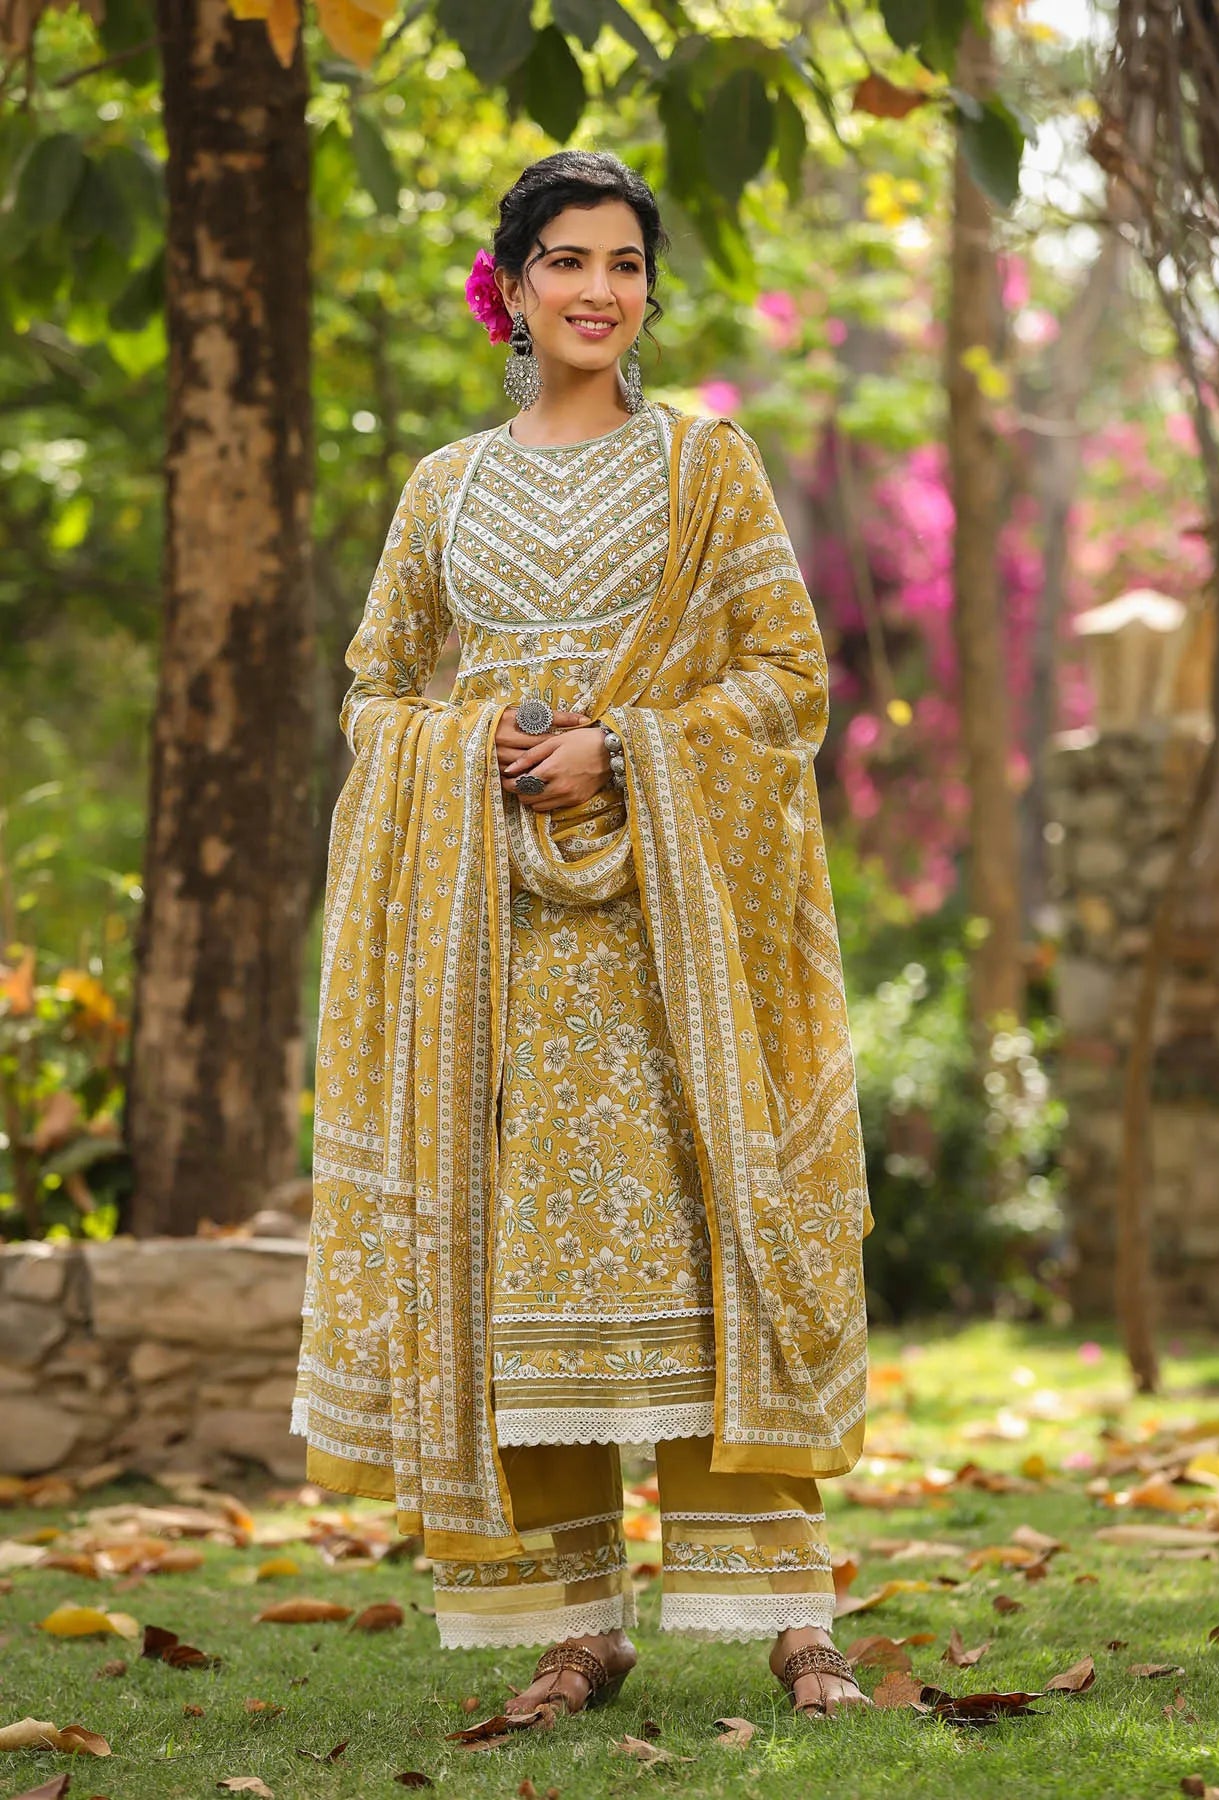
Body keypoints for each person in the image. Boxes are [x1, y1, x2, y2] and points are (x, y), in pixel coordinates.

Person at [290, 149, 873, 1721]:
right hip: (497, 951)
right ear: (512, 286)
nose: (598, 290)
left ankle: (794, 1622)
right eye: (567, 260)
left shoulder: (704, 469)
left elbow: (789, 679)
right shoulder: (443, 489)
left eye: (624, 263)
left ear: (648, 291)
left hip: (673, 955)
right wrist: (457, 747)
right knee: (516, 1270)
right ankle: (571, 1627)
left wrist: (629, 752)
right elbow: (375, 692)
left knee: (716, 1239)